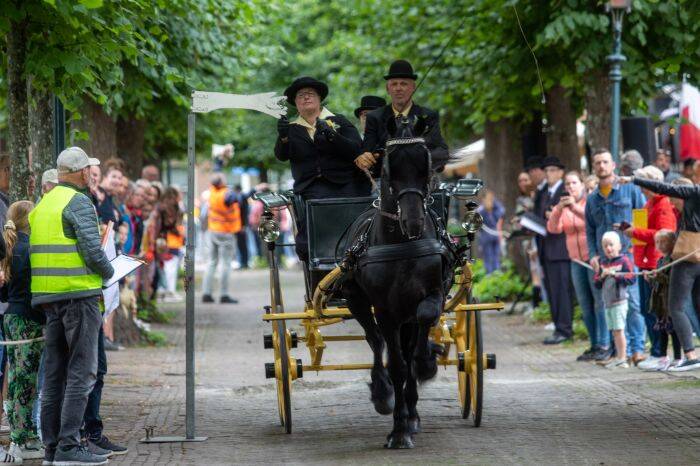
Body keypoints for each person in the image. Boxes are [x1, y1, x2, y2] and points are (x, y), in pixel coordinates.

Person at [30, 147, 114, 465]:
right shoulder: (78, 201)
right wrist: (110, 273)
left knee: (53, 376)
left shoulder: (43, 204)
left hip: (48, 299)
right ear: (81, 173)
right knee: (82, 372)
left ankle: (51, 448)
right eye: (88, 172)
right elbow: (93, 251)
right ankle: (68, 445)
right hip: (78, 297)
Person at [275, 76, 368, 260]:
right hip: (311, 190)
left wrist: (333, 136)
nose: (306, 98)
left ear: (319, 99)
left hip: (344, 187)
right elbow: (281, 155)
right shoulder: (291, 128)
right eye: (301, 95)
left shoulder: (339, 121)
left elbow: (356, 149)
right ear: (296, 103)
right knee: (310, 240)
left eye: (310, 94)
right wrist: (283, 137)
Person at [619, 172, 700, 371]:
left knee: (676, 307)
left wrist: (633, 179)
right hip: (693, 258)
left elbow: (663, 187)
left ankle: (690, 355)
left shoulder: (692, 193)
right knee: (697, 306)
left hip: (689, 259)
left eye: (674, 200)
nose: (672, 204)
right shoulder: (684, 212)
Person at [585, 149, 646, 364]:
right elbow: (590, 230)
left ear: (613, 165)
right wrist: (592, 255)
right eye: (598, 163)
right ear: (594, 167)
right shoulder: (592, 199)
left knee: (634, 305)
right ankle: (620, 352)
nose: (601, 166)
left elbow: (642, 217)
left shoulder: (629, 190)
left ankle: (637, 349)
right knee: (610, 305)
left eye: (605, 162)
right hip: (605, 261)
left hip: (627, 255)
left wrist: (642, 251)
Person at [547, 171, 609, 361]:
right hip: (575, 261)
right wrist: (558, 209)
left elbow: (592, 221)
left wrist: (573, 207)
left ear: (582, 185)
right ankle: (593, 344)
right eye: (567, 184)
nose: (570, 187)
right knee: (585, 305)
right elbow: (553, 228)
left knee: (599, 302)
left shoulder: (588, 202)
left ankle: (604, 344)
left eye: (574, 183)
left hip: (593, 260)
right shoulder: (565, 207)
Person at [621, 166, 676, 370]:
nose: (640, 188)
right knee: (648, 309)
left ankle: (660, 353)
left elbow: (663, 234)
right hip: (645, 262)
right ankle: (656, 350)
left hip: (655, 262)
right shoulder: (649, 203)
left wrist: (636, 232)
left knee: (656, 310)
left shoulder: (663, 204)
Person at [1, 201, 44, 462]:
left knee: (16, 377)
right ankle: (19, 438)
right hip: (28, 319)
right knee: (25, 381)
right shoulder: (29, 249)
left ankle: (24, 433)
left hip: (11, 317)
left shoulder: (11, 247)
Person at [358, 60, 449, 174]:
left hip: (419, 179)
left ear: (413, 87)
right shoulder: (374, 117)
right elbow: (366, 153)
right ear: (388, 89)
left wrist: (417, 157)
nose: (398, 88)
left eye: (404, 84)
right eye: (394, 84)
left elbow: (442, 152)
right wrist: (364, 157)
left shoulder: (427, 116)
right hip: (386, 180)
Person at [534, 156, 574, 344]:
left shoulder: (564, 191)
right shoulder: (544, 193)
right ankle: (558, 326)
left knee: (562, 291)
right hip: (546, 248)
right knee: (552, 290)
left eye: (552, 170)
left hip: (560, 248)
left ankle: (565, 329)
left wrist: (554, 215)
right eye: (547, 170)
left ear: (560, 172)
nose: (548, 174)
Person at [641, 230, 683, 371]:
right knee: (662, 330)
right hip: (660, 304)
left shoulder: (673, 260)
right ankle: (663, 357)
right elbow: (657, 284)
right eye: (657, 242)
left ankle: (678, 357)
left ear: (672, 242)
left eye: (663, 241)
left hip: (669, 302)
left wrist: (656, 276)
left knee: (674, 330)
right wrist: (650, 278)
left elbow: (670, 280)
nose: (659, 244)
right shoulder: (659, 261)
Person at [594, 231, 636, 369]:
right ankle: (618, 357)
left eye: (611, 245)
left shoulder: (624, 261)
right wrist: (601, 276)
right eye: (605, 246)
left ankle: (623, 358)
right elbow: (597, 284)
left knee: (619, 330)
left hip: (619, 301)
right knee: (613, 331)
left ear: (619, 245)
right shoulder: (603, 262)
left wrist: (615, 275)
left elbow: (631, 278)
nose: (608, 248)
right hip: (608, 302)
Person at [201, 173, 240, 304]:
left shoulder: (212, 192)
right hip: (226, 232)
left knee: (211, 263)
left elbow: (217, 172)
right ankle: (224, 294)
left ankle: (206, 293)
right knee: (225, 263)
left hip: (213, 231)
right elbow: (235, 198)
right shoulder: (227, 194)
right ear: (222, 182)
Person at [477, 190, 504, 274]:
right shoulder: (483, 209)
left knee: (492, 257)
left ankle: (493, 275)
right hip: (490, 234)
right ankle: (493, 275)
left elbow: (502, 211)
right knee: (492, 257)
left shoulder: (492, 208)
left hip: (491, 234)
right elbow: (502, 211)